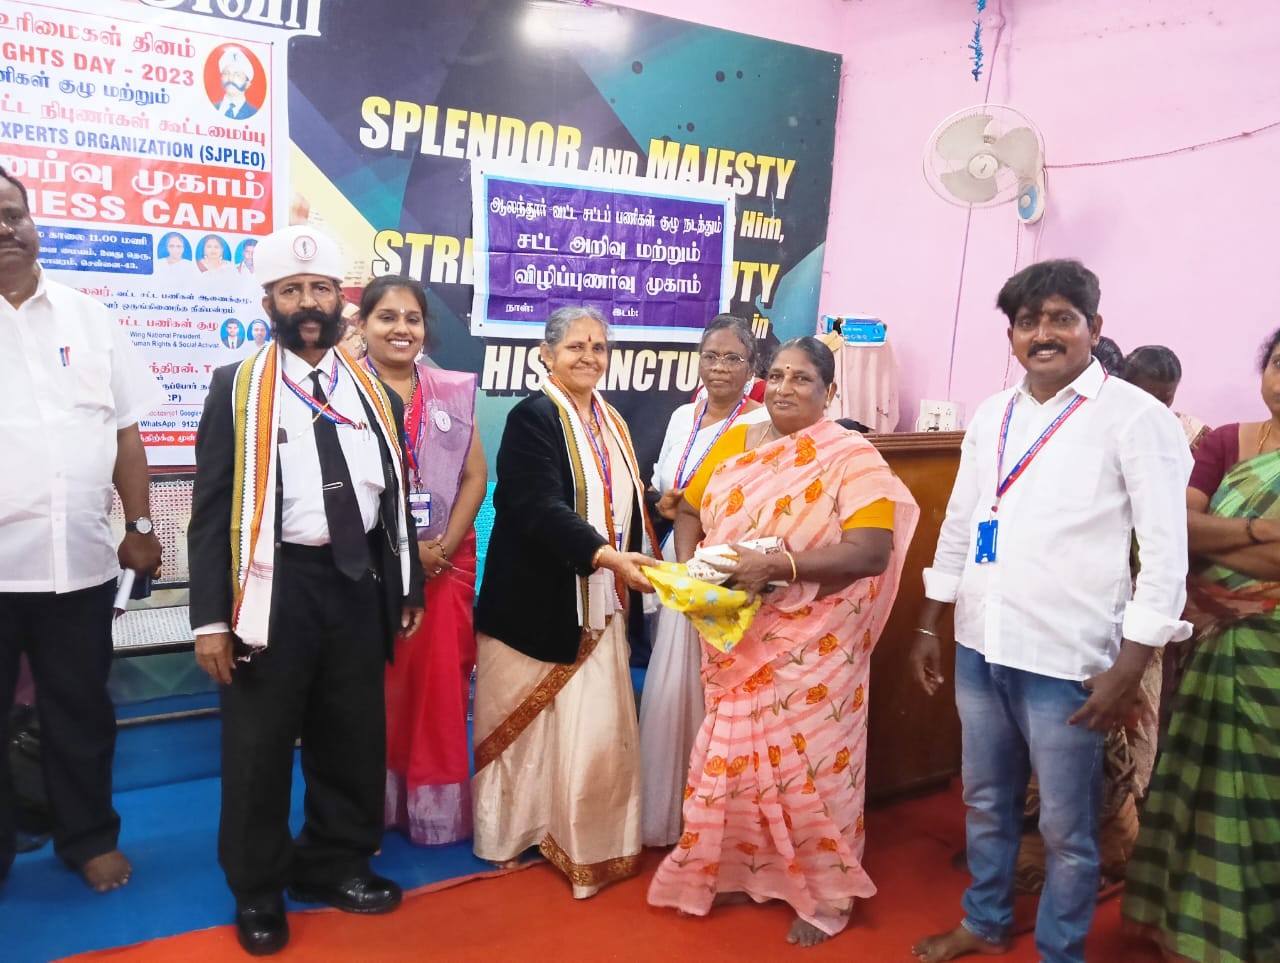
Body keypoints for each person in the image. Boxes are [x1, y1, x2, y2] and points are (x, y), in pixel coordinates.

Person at [908, 259, 1193, 963]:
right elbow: (962, 522)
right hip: (982, 644)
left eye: (1062, 318)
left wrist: (1130, 666)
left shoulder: (1136, 418)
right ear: (1011, 334)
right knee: (985, 801)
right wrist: (929, 621)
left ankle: (1060, 950)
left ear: (1094, 327)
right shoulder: (992, 414)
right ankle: (985, 919)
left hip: (1068, 659)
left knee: (1067, 828)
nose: (1043, 333)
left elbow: (1166, 555)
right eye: (1028, 321)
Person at [187, 225, 424, 956]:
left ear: (339, 299)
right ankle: (257, 888)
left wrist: (405, 586)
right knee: (257, 746)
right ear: (269, 302)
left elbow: (393, 496)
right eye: (292, 291)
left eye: (320, 288)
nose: (308, 303)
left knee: (351, 734)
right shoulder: (237, 388)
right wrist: (209, 621)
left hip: (355, 582)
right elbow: (210, 510)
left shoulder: (373, 392)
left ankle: (335, 862)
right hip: (272, 588)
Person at [647, 337, 919, 947]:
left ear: (830, 391)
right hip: (737, 631)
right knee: (732, 761)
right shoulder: (737, 440)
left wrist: (778, 568)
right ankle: (740, 870)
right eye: (776, 376)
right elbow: (688, 510)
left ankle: (825, 895)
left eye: (801, 378)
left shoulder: (852, 456)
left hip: (816, 641)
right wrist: (696, 577)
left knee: (812, 769)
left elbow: (871, 552)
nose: (785, 388)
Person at [0, 166, 163, 893]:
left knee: (81, 710)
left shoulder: (90, 317)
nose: (5, 229)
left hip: (82, 567)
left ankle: (87, 837)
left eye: (14, 214)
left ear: (33, 222)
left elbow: (126, 434)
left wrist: (140, 524)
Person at [471, 306, 658, 898]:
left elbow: (620, 502)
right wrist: (605, 556)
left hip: (600, 601)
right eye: (576, 346)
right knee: (525, 727)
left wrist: (659, 510)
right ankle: (510, 831)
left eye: (598, 347)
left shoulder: (610, 420)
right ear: (546, 355)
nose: (589, 356)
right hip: (537, 600)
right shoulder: (532, 417)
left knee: (591, 729)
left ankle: (580, 840)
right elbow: (535, 505)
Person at [1122, 328, 1280, 963]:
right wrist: (1259, 531)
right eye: (1279, 362)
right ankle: (1197, 931)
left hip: (1270, 652)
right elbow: (1175, 529)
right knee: (1203, 785)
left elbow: (1200, 532)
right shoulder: (1225, 443)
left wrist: (1220, 536)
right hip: (1213, 645)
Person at [356, 276, 487, 845]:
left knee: (438, 689)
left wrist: (441, 548)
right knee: (376, 689)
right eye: (387, 317)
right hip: (371, 567)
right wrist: (406, 553)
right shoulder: (341, 390)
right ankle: (376, 806)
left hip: (445, 564)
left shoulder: (450, 391)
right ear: (362, 324)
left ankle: (434, 812)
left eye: (411, 318)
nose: (401, 329)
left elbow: (475, 476)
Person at [640, 314, 768, 847]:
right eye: (711, 357)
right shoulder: (681, 416)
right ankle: (666, 804)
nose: (719, 368)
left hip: (725, 569)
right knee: (671, 679)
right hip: (679, 557)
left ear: (752, 368)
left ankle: (711, 809)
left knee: (713, 683)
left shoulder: (762, 423)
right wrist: (666, 503)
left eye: (733, 358)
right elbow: (659, 485)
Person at [1119, 344, 1209, 449]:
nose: (1156, 407)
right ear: (1125, 385)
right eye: (1147, 398)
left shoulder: (1192, 434)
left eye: (1165, 400)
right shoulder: (1108, 428)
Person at [213, 46, 260, 120]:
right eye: (226, 73)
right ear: (221, 78)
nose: (230, 78)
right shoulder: (211, 108)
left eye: (237, 75)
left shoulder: (254, 114)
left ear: (247, 84)